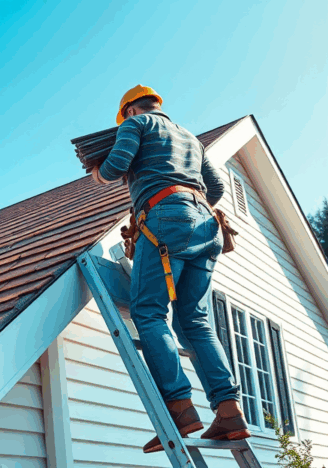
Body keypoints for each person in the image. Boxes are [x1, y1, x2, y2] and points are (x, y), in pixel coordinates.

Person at [91, 85, 250, 453]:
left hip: (165, 219)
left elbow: (115, 167)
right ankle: (229, 411)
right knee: (195, 321)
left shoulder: (136, 124)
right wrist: (188, 204)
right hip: (207, 225)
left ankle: (180, 408)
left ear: (129, 110)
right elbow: (215, 187)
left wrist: (98, 174)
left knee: (149, 312)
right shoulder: (191, 138)